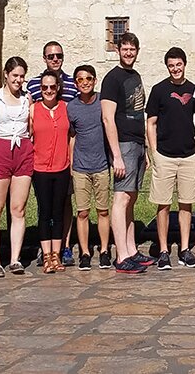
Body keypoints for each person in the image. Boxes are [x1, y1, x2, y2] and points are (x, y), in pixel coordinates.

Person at [101, 31, 152, 274]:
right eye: (125, 49)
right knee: (121, 199)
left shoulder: (135, 76)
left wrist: (147, 148)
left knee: (131, 198)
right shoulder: (112, 79)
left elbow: (139, 113)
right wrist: (117, 156)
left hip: (137, 144)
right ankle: (121, 256)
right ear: (118, 50)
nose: (129, 53)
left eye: (133, 49)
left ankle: (131, 250)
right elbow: (108, 119)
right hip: (122, 145)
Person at [146, 47, 195, 270]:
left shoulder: (193, 90)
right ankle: (163, 250)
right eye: (171, 65)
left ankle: (185, 249)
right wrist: (155, 151)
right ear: (167, 67)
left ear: (185, 64)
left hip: (188, 154)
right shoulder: (159, 90)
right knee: (163, 204)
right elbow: (151, 123)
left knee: (186, 203)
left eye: (178, 65)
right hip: (165, 155)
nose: (175, 69)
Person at [27, 41, 78, 267]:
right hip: (41, 163)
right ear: (44, 58)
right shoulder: (33, 90)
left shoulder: (72, 87)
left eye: (58, 55)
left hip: (62, 161)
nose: (55, 59)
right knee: (44, 208)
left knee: (63, 205)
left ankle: (62, 248)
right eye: (50, 56)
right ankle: (45, 251)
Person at [0, 56, 33, 278]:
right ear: (6, 74)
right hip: (1, 150)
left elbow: (32, 126)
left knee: (18, 209)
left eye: (22, 76)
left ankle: (15, 259)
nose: (19, 80)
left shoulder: (27, 99)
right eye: (15, 75)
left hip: (23, 150)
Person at [68, 65, 112, 270]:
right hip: (80, 167)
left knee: (103, 211)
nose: (84, 82)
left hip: (102, 165)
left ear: (95, 81)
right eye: (80, 79)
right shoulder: (72, 107)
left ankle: (104, 250)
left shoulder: (103, 103)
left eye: (88, 79)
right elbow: (72, 137)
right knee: (83, 212)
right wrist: (71, 163)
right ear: (75, 83)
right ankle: (85, 252)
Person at [30, 68, 72, 274]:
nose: (48, 90)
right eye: (45, 87)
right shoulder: (33, 109)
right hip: (40, 168)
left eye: (52, 87)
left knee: (58, 211)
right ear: (40, 89)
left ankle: (57, 254)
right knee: (45, 212)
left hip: (62, 167)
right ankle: (46, 255)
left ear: (58, 88)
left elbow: (73, 135)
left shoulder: (66, 108)